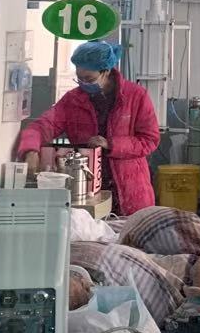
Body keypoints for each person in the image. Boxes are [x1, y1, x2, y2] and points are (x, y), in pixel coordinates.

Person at [17, 40, 160, 216]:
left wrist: (111, 144)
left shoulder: (136, 96)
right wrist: (30, 150)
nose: (84, 84)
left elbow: (150, 140)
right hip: (86, 190)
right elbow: (42, 126)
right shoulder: (72, 100)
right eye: (80, 79)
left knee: (129, 231)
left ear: (106, 71)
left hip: (130, 191)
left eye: (89, 79)